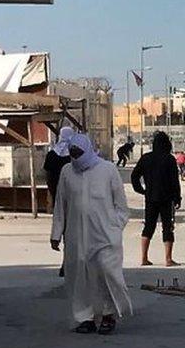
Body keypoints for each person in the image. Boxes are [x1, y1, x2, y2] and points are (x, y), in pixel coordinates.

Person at [51, 133, 133, 334]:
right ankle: (84, 317)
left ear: (87, 150)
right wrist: (56, 233)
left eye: (79, 152)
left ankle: (108, 313)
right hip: (76, 236)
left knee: (107, 273)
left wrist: (115, 227)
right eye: (72, 153)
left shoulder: (107, 170)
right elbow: (61, 205)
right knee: (79, 277)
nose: (76, 157)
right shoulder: (67, 172)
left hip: (105, 235)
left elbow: (122, 207)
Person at [131, 132, 182, 267]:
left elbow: (134, 176)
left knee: (148, 226)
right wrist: (177, 198)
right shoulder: (169, 159)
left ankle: (144, 258)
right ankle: (168, 259)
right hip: (167, 199)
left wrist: (141, 190)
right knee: (167, 227)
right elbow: (174, 181)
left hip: (151, 198)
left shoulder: (146, 158)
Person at [44, 127, 75, 277]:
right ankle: (68, 262)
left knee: (64, 227)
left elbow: (48, 177)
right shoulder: (74, 154)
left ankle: (66, 262)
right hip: (74, 196)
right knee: (74, 231)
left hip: (58, 195)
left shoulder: (52, 154)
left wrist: (53, 194)